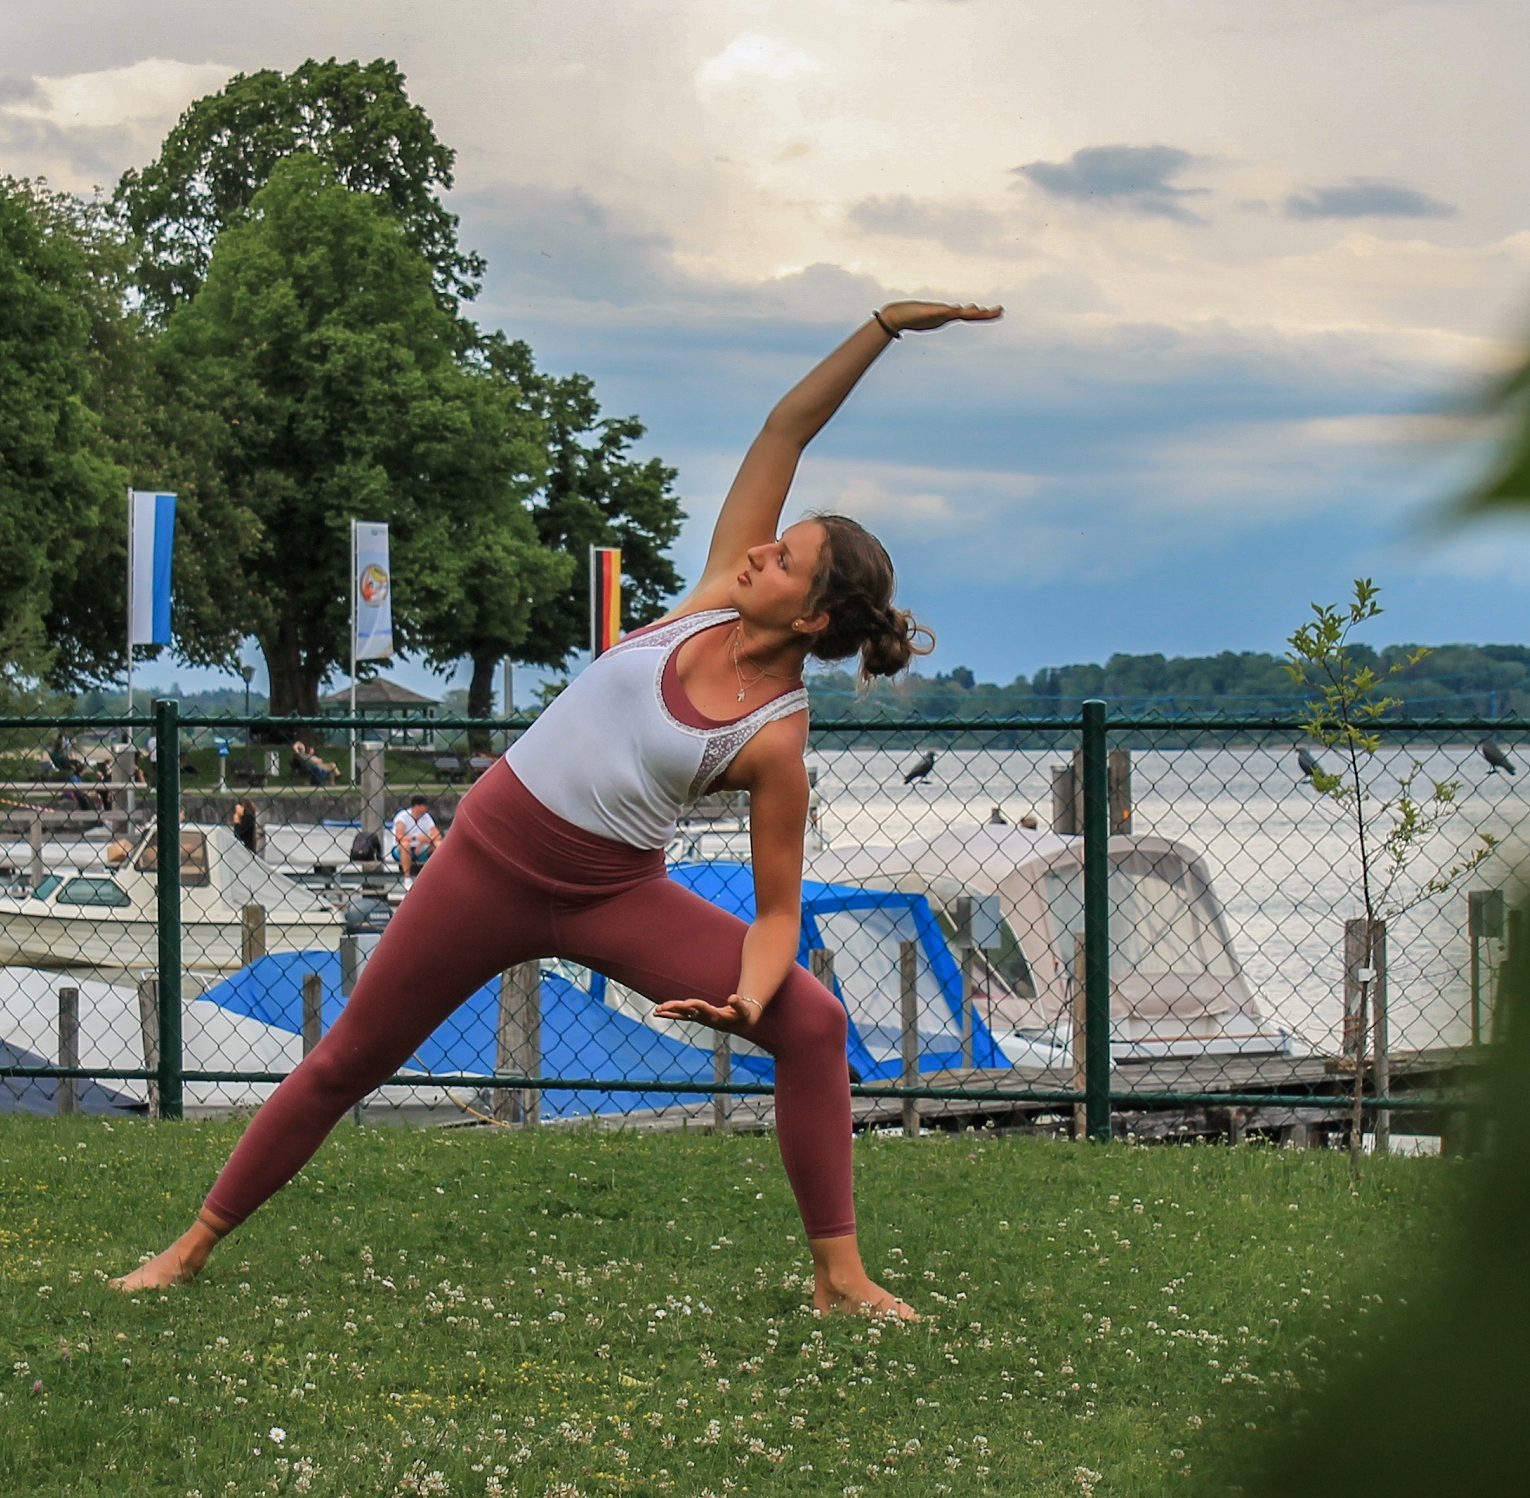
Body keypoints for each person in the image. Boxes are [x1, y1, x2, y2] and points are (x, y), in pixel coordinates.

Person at [113, 299, 997, 1315]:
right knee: (350, 1055)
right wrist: (879, 328)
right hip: (485, 860)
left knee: (812, 1022)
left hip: (611, 891)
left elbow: (779, 913)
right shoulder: (710, 595)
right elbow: (784, 430)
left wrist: (752, 996)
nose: (758, 553)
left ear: (811, 615)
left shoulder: (777, 740)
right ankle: (188, 1247)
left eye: (784, 559)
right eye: (772, 542)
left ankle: (839, 1279)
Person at [389, 795, 443, 879]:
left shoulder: (426, 817)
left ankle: (434, 873)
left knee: (438, 843)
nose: (427, 807)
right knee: (405, 844)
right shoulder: (402, 816)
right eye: (424, 805)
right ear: (417, 806)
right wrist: (416, 838)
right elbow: (399, 837)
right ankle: (407, 877)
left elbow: (437, 836)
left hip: (421, 848)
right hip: (401, 849)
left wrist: (423, 842)